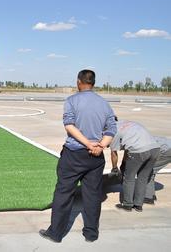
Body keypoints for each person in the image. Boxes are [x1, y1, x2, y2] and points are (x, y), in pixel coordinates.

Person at [39, 69, 117, 243]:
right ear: (93, 83)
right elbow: (112, 129)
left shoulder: (72, 101)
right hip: (95, 158)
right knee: (93, 195)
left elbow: (69, 125)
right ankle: (91, 233)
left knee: (64, 193)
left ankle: (56, 233)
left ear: (78, 81)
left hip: (74, 154)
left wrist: (88, 144)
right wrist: (100, 146)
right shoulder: (104, 104)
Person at [110, 120, 160, 212]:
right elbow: (127, 148)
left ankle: (127, 204)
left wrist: (114, 168)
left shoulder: (112, 130)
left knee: (129, 177)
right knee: (143, 178)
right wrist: (124, 163)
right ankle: (138, 205)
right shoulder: (127, 123)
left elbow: (114, 153)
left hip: (139, 151)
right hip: (155, 149)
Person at [144, 136, 171, 204]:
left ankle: (148, 197)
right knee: (150, 170)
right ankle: (151, 195)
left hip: (167, 150)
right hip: (166, 147)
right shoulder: (144, 137)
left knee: (147, 171)